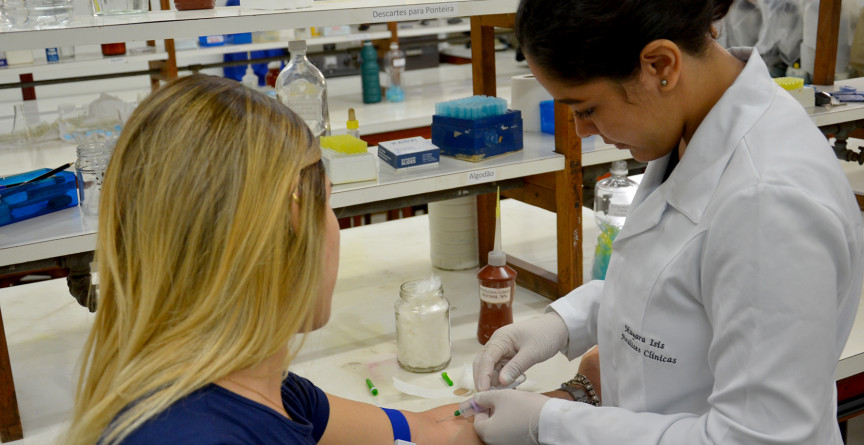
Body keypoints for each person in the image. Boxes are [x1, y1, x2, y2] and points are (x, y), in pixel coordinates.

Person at [471, 0, 864, 444]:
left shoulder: (770, 203)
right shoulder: (694, 126)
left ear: (660, 65)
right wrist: (566, 322)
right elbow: (679, 281)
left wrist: (551, 424)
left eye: (586, 109)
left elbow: (760, 438)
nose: (581, 131)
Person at [64, 75, 482, 445]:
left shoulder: (261, 388)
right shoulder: (201, 433)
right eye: (328, 202)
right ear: (290, 222)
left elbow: (428, 433)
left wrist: (517, 406)